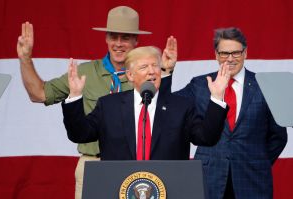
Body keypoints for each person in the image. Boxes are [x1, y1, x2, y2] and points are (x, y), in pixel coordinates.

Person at [16, 6, 176, 199]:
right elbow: (39, 94)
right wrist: (25, 58)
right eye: (113, 36)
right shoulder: (85, 72)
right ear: (106, 38)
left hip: (136, 168)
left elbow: (163, 114)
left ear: (136, 40)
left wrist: (166, 72)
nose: (118, 43)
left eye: (125, 37)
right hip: (93, 164)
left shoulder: (146, 74)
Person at [62, 46, 230, 161]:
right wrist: (75, 96)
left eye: (155, 66)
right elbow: (80, 134)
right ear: (130, 75)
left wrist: (216, 98)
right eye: (144, 67)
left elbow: (206, 138)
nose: (152, 71)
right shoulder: (108, 106)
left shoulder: (181, 107)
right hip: (120, 188)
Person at [175, 27, 287, 199]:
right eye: (224, 53)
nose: (230, 59)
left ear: (245, 53)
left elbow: (278, 137)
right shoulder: (200, 85)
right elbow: (170, 105)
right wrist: (166, 73)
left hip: (252, 179)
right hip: (210, 178)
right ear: (216, 55)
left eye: (236, 53)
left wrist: (257, 161)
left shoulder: (265, 85)